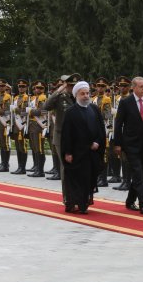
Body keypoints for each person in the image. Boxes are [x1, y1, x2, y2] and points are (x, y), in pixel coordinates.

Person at [113, 76, 143, 214]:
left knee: (139, 172)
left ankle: (130, 201)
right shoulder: (125, 102)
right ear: (133, 87)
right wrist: (117, 144)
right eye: (141, 86)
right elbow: (118, 124)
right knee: (138, 173)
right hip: (130, 144)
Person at [60, 81, 106, 214]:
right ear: (76, 95)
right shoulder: (71, 112)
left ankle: (84, 202)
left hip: (92, 152)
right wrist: (68, 152)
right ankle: (78, 204)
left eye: (87, 93)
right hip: (78, 152)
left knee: (89, 178)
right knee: (77, 179)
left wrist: (97, 142)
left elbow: (100, 129)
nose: (86, 96)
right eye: (82, 94)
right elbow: (67, 134)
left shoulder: (94, 109)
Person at [44, 74, 80, 197]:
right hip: (61, 137)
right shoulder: (60, 97)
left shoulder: (79, 97)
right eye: (69, 85)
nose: (72, 88)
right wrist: (58, 90)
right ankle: (68, 197)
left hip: (77, 137)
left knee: (77, 167)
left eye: (74, 86)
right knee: (66, 167)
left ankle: (78, 194)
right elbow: (46, 106)